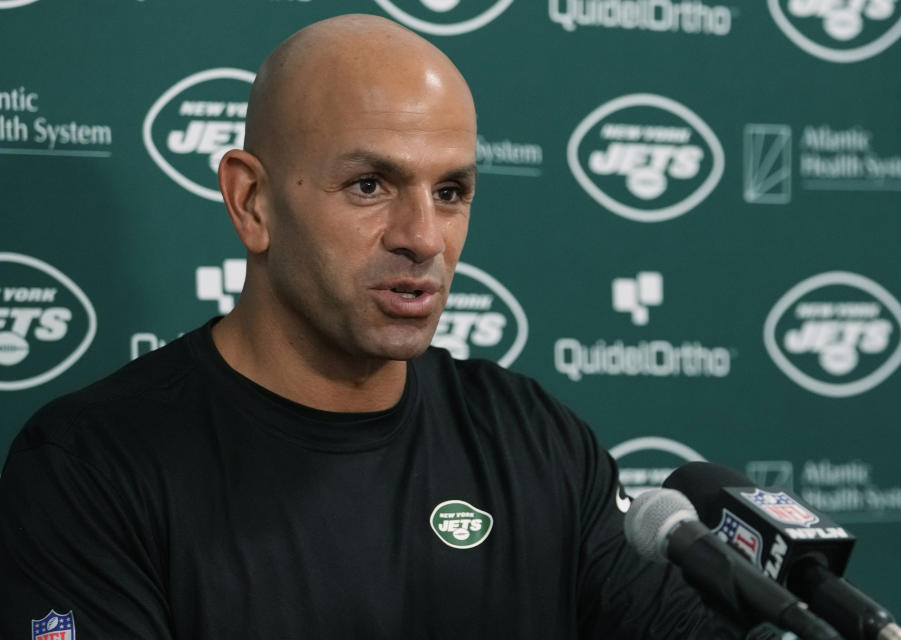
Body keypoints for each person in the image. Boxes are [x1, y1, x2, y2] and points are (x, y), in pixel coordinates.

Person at [0, 14, 745, 639]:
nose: (423, 237)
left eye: (451, 191)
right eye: (369, 185)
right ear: (252, 203)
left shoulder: (535, 441)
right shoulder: (89, 467)